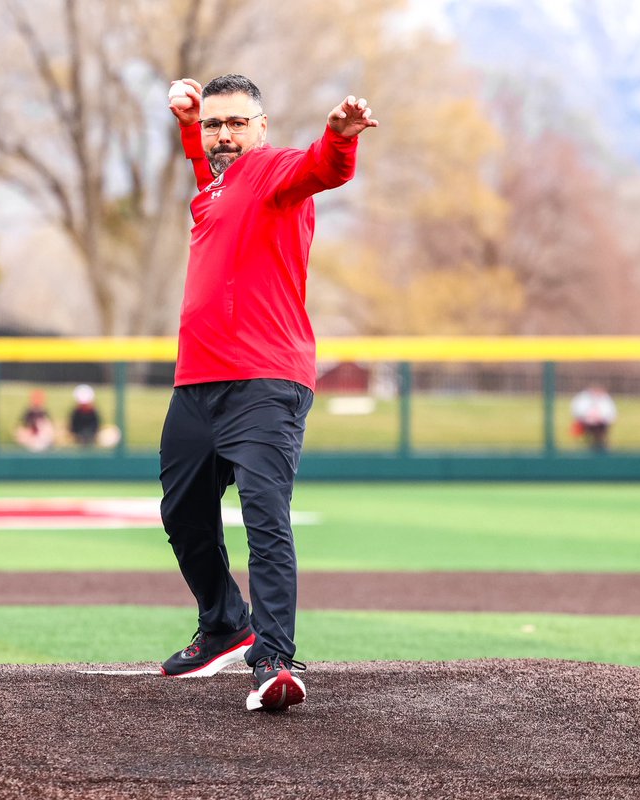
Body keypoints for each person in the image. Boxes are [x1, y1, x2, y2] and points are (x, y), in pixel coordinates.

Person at [157, 74, 377, 712]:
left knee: (264, 516)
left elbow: (322, 169)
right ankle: (225, 621)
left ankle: (274, 661)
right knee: (182, 515)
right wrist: (190, 126)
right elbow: (210, 170)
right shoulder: (214, 186)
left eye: (237, 123)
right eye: (214, 125)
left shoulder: (274, 172)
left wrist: (339, 137)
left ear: (262, 127)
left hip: (264, 381)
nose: (224, 135)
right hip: (197, 382)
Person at [570, 386, 617, 452]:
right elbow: (577, 412)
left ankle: (599, 445)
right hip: (586, 423)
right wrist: (587, 417)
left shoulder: (606, 399)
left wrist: (600, 418)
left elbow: (611, 415)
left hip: (601, 424)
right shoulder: (583, 398)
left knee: (600, 431)